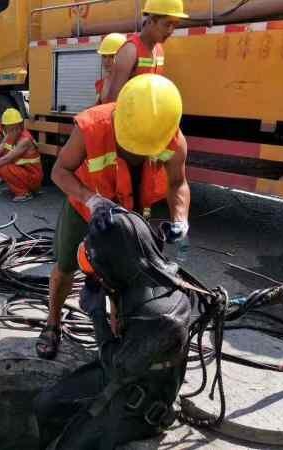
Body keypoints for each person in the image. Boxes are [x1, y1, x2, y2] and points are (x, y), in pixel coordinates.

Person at [36, 74, 190, 359]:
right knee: (66, 267)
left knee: (126, 277)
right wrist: (92, 200)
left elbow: (177, 183)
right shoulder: (92, 126)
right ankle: (53, 323)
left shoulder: (170, 138)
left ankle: (119, 335)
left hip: (132, 214)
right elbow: (59, 171)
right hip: (85, 207)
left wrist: (181, 220)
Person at [34, 204, 192, 449]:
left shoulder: (159, 314)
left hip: (141, 403)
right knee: (46, 405)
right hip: (128, 369)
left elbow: (116, 365)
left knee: (70, 445)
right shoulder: (143, 276)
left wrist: (97, 312)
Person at [101, 0, 188, 104]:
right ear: (151, 21)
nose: (170, 31)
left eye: (175, 25)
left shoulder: (159, 50)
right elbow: (112, 102)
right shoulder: (130, 50)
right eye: (167, 24)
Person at [0, 107, 43, 202]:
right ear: (4, 128)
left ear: (21, 125)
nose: (14, 131)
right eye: (11, 129)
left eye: (16, 128)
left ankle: (24, 193)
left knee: (2, 166)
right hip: (24, 173)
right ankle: (19, 188)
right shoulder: (8, 135)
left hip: (33, 177)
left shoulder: (25, 140)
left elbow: (6, 159)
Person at [94, 33, 126, 105]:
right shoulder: (101, 84)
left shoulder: (130, 84)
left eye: (112, 56)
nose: (106, 61)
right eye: (104, 56)